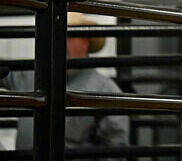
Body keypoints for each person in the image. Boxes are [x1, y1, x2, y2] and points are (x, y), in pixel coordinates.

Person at [0, 12, 129, 158]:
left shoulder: (105, 89)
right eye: (54, 36)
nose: (59, 42)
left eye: (67, 36)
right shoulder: (30, 75)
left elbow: (115, 149)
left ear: (86, 42)